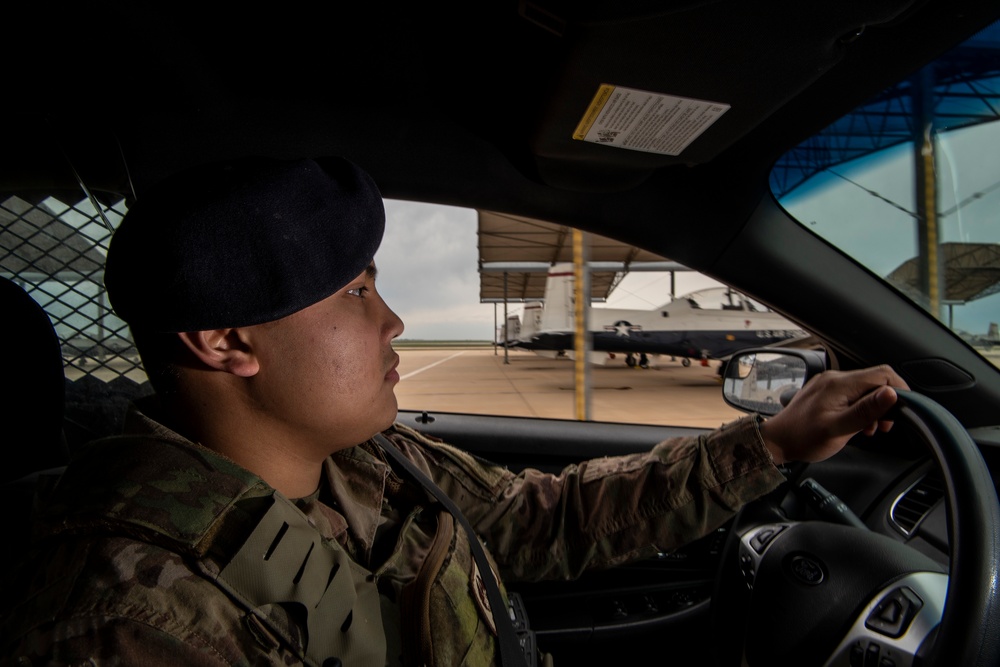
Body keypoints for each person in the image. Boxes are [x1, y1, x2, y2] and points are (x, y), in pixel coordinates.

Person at [0, 157, 908, 667]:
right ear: (226, 342)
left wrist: (774, 441)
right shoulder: (126, 621)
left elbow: (534, 522)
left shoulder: (362, 460)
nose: (393, 319)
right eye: (355, 292)